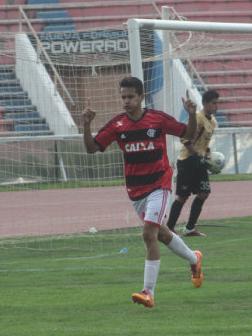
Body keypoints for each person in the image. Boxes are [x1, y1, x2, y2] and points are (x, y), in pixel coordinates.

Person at [82, 76, 203, 309]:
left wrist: (190, 114)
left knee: (149, 233)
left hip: (160, 183)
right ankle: (193, 259)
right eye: (123, 97)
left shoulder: (157, 119)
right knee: (162, 235)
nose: (126, 101)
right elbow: (91, 148)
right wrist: (87, 124)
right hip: (136, 191)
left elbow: (188, 133)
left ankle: (148, 292)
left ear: (141, 97)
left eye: (130, 97)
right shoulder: (117, 125)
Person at [167, 90, 220, 237]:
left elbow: (204, 144)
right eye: (213, 103)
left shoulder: (212, 122)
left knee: (204, 193)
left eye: (217, 103)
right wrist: (196, 155)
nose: (216, 106)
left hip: (199, 162)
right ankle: (169, 228)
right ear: (205, 103)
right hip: (187, 161)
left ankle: (189, 228)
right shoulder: (197, 117)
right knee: (182, 197)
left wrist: (211, 161)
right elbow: (185, 139)